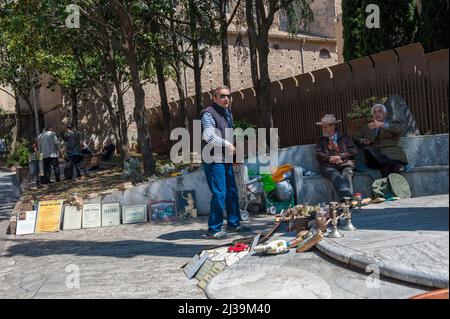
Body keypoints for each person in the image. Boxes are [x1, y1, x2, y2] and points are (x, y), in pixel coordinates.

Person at [201, 85, 250, 239]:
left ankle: (233, 224)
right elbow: (208, 136)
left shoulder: (228, 113)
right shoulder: (208, 114)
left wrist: (235, 156)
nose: (226, 99)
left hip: (226, 158)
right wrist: (228, 145)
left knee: (232, 191)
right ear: (214, 98)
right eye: (222, 96)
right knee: (219, 193)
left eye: (228, 96)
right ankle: (213, 229)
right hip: (213, 159)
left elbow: (228, 136)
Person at [353, 104, 409, 178]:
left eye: (380, 111)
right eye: (375, 112)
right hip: (375, 158)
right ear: (372, 115)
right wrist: (362, 140)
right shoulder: (369, 127)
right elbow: (355, 136)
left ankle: (388, 188)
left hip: (393, 156)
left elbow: (400, 129)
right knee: (367, 149)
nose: (377, 114)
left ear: (385, 114)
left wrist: (382, 124)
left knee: (385, 168)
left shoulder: (392, 123)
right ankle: (395, 166)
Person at [315, 114, 358, 201]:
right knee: (335, 175)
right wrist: (330, 158)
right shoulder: (321, 140)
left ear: (333, 126)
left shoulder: (344, 137)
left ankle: (346, 200)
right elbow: (318, 154)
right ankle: (348, 199)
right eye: (322, 127)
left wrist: (340, 156)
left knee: (347, 174)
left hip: (345, 163)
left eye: (325, 127)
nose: (323, 129)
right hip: (328, 166)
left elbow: (353, 151)